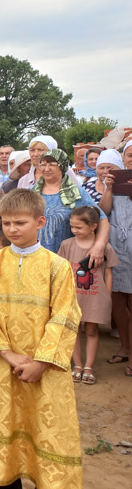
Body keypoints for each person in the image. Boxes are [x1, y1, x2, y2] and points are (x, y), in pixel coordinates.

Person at [0, 189, 82, 489]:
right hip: (1, 364)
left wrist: (40, 362)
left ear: (40, 222)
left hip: (45, 368)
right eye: (7, 223)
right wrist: (7, 353)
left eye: (21, 222)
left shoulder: (58, 267)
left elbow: (64, 316)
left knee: (45, 429)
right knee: (4, 422)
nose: (13, 229)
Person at [58, 206, 119, 385]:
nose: (74, 230)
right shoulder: (66, 245)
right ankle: (77, 365)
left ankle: (89, 367)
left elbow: (108, 273)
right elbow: (62, 271)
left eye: (79, 227)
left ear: (93, 226)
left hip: (94, 298)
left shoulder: (105, 248)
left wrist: (107, 296)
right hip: (73, 297)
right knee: (74, 330)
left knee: (92, 330)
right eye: (72, 227)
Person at [34, 149, 108, 257]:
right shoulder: (31, 192)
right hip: (35, 256)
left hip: (66, 257)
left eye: (52, 164)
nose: (46, 169)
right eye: (43, 164)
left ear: (62, 166)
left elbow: (102, 218)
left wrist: (99, 245)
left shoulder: (75, 193)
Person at [105, 141, 132, 373]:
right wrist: (109, 188)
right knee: (118, 299)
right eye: (130, 155)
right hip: (117, 245)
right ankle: (124, 347)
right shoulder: (117, 181)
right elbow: (104, 210)